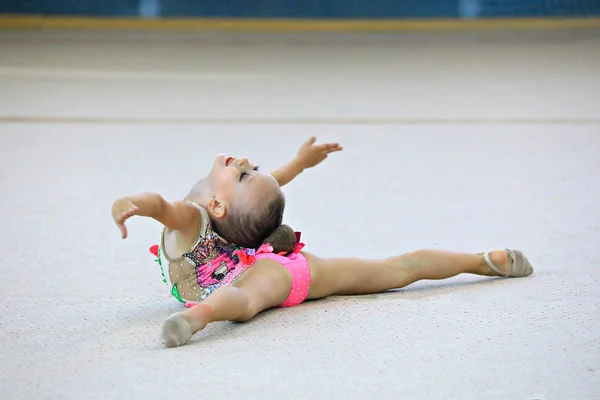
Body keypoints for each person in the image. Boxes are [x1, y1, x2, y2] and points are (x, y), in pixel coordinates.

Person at [111, 137, 534, 348]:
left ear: (218, 206)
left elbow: (158, 205)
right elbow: (259, 194)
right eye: (252, 169)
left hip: (267, 273)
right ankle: (483, 260)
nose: (243, 162)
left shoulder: (192, 217)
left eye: (245, 173)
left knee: (244, 300)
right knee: (395, 269)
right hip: (296, 268)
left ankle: (201, 316)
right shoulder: (217, 212)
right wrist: (296, 164)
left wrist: (130, 203)